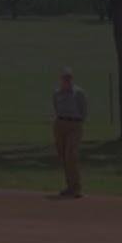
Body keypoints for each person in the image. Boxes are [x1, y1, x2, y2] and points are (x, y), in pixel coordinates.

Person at [52, 67, 87, 198]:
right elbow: (55, 106)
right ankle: (69, 186)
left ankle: (76, 187)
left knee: (70, 155)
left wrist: (78, 122)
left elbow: (83, 109)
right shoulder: (57, 93)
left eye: (69, 78)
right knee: (63, 156)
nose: (66, 80)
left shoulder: (78, 93)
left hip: (74, 124)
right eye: (64, 78)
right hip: (60, 123)